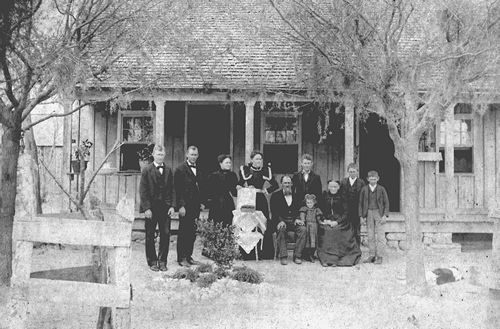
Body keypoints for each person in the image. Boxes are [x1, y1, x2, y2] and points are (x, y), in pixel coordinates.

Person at [139, 145, 175, 271]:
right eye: (158, 154)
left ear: (165, 155)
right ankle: (152, 261)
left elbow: (172, 189)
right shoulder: (146, 170)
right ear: (153, 155)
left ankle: (163, 261)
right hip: (152, 208)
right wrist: (146, 208)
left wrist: (172, 206)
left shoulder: (169, 170)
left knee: (165, 234)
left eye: (162, 154)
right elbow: (143, 191)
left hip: (165, 208)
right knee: (150, 235)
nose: (160, 156)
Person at [238, 150, 278, 260]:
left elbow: (275, 185)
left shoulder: (266, 170)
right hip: (249, 199)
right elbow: (239, 184)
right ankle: (249, 254)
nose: (259, 161)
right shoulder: (245, 170)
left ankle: (263, 253)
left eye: (260, 159)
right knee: (250, 225)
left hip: (261, 199)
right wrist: (244, 189)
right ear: (251, 160)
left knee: (262, 224)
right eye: (256, 159)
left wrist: (266, 190)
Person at [317, 180, 361, 267]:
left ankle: (338, 259)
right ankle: (327, 259)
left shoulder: (342, 197)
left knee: (337, 231)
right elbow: (321, 209)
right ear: (328, 187)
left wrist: (337, 222)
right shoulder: (325, 196)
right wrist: (325, 220)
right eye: (331, 187)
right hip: (328, 220)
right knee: (327, 230)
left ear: (338, 187)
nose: (333, 189)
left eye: (335, 187)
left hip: (341, 221)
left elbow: (346, 213)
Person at [174, 146, 205, 267]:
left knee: (192, 232)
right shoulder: (180, 169)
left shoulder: (199, 168)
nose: (193, 156)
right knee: (183, 232)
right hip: (185, 206)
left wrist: (202, 202)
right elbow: (177, 189)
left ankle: (189, 256)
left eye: (195, 154)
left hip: (195, 206)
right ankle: (181, 258)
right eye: (191, 154)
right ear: (187, 155)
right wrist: (180, 206)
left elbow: (201, 187)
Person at [270, 175, 305, 265]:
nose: (287, 185)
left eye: (289, 183)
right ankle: (283, 256)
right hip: (281, 221)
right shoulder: (275, 196)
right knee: (281, 229)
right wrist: (279, 221)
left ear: (292, 184)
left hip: (293, 221)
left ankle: (297, 256)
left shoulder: (297, 196)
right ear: (281, 184)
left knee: (303, 230)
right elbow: (274, 212)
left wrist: (297, 218)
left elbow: (299, 209)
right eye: (285, 183)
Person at [358, 170, 389, 265]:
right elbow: (360, 203)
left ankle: (379, 256)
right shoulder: (364, 189)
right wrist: (361, 217)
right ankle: (371, 255)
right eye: (371, 179)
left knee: (380, 236)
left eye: (374, 179)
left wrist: (384, 215)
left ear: (378, 179)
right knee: (370, 235)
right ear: (367, 179)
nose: (372, 181)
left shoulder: (381, 189)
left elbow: (386, 203)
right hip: (368, 213)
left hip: (378, 213)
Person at [206, 154, 238, 226]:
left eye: (230, 163)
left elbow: (234, 192)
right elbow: (209, 191)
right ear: (220, 163)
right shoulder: (213, 176)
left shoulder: (233, 175)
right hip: (216, 203)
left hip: (228, 202)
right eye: (226, 163)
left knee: (227, 224)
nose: (229, 164)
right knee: (215, 224)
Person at [340, 163, 365, 246]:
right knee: (346, 230)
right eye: (350, 172)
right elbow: (342, 197)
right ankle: (347, 249)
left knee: (356, 231)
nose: (352, 173)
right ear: (348, 172)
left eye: (354, 171)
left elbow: (363, 199)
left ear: (357, 172)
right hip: (346, 210)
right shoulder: (343, 182)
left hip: (357, 211)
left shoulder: (361, 183)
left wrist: (362, 213)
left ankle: (357, 250)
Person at [298, 194, 323, 263]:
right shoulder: (304, 209)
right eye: (307, 203)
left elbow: (318, 219)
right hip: (307, 226)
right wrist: (302, 220)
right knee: (307, 241)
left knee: (314, 240)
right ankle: (307, 254)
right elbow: (302, 216)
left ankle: (312, 253)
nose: (309, 204)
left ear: (314, 202)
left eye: (311, 203)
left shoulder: (316, 210)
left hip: (314, 227)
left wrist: (321, 222)